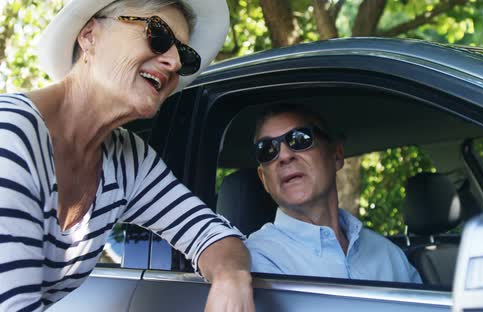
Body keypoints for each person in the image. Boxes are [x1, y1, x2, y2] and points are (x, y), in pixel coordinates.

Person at [0, 0, 254, 310]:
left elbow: (209, 233)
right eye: (157, 34)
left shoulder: (126, 158)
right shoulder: (10, 136)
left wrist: (232, 275)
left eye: (185, 55)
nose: (174, 62)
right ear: (89, 35)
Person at [245, 104, 422, 283]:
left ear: (336, 155)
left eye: (299, 139)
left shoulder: (388, 255)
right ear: (264, 179)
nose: (284, 156)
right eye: (267, 149)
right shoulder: (254, 261)